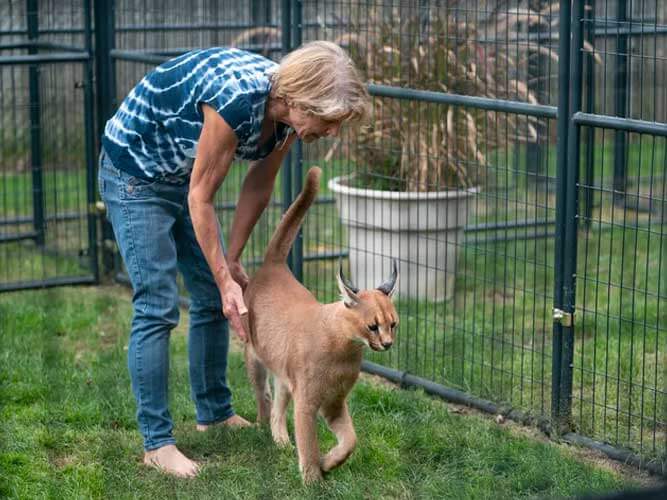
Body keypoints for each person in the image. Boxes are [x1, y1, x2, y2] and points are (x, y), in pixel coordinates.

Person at [98, 40, 370, 477]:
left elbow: (258, 186)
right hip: (135, 172)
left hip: (181, 175)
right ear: (304, 98)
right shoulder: (237, 101)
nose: (333, 132)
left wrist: (234, 259)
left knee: (208, 293)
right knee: (158, 305)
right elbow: (201, 195)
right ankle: (157, 443)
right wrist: (226, 277)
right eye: (331, 120)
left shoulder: (285, 120)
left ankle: (214, 413)